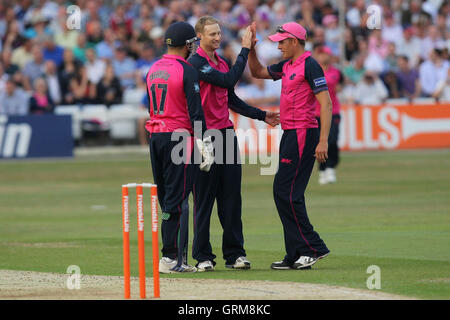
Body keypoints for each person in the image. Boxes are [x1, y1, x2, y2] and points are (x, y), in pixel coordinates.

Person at [187, 16, 279, 272]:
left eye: (218, 33)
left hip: (226, 135)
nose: (217, 37)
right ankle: (203, 256)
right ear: (199, 38)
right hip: (203, 136)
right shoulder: (195, 63)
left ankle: (235, 254)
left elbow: (230, 98)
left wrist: (262, 115)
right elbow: (228, 81)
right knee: (204, 199)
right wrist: (246, 49)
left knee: (231, 200)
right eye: (211, 34)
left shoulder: (222, 61)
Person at [248, 21, 331, 270]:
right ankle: (295, 252)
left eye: (282, 42)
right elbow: (257, 73)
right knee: (283, 192)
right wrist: (251, 49)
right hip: (290, 133)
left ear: (294, 41)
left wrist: (324, 140)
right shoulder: (287, 65)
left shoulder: (310, 64)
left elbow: (325, 104)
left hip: (304, 133)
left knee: (287, 193)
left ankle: (312, 248)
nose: (279, 46)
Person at [146, 21, 213, 274]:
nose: (194, 48)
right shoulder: (186, 70)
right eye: (192, 44)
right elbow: (196, 113)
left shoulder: (153, 69)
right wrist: (205, 143)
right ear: (186, 45)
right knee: (178, 200)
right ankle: (172, 258)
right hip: (178, 138)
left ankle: (169, 256)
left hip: (156, 138)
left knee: (166, 200)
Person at [313, 46, 343, 185]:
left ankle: (331, 167)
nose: (321, 56)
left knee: (332, 140)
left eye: (324, 54)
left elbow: (334, 84)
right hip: (316, 112)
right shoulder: (313, 70)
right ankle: (322, 169)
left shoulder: (335, 72)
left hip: (333, 111)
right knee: (318, 142)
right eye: (320, 54)